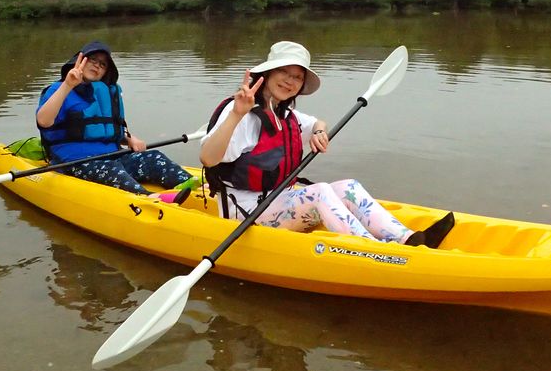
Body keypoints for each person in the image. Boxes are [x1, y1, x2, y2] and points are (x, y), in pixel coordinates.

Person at [199, 41, 455, 247]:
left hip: (277, 200)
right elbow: (208, 158)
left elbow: (316, 122)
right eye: (283, 72)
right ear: (266, 74)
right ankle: (373, 251)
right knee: (319, 191)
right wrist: (236, 114)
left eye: (297, 77)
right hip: (244, 213)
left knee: (348, 187)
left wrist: (319, 131)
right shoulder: (241, 112)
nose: (290, 81)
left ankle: (407, 239)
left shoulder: (285, 113)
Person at [36, 40, 191, 196]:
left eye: (103, 64)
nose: (97, 65)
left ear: (106, 72)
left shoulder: (105, 93)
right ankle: (150, 200)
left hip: (113, 157)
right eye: (92, 59)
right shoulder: (58, 89)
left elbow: (110, 128)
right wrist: (68, 85)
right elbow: (43, 121)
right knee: (112, 171)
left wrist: (130, 139)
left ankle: (194, 188)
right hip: (75, 162)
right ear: (80, 60)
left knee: (154, 157)